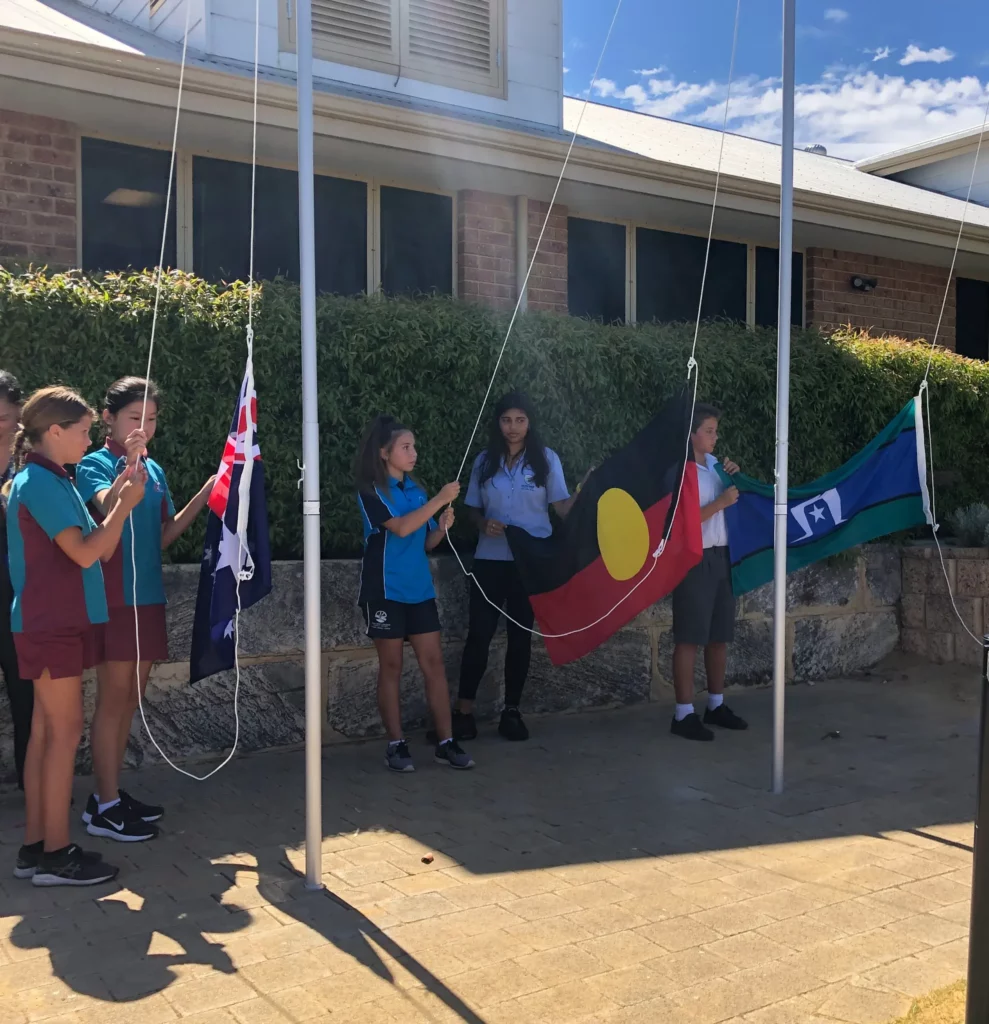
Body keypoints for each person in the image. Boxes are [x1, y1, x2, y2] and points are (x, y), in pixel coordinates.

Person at [5, 386, 145, 885]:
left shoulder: (54, 479)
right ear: (55, 433)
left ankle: (37, 849)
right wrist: (124, 508)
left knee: (48, 733)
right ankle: (56, 853)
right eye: (84, 432)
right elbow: (86, 553)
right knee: (62, 735)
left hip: (55, 625)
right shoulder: (39, 482)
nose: (89, 441)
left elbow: (98, 547)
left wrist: (122, 495)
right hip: (50, 626)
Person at [75, 377, 214, 842]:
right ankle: (104, 806)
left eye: (151, 419)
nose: (145, 427)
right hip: (114, 598)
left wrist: (206, 494)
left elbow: (163, 535)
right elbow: (107, 507)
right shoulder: (92, 464)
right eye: (136, 418)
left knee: (128, 701)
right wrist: (127, 465)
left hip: (148, 597)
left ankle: (108, 797)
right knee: (112, 703)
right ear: (108, 418)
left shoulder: (154, 470)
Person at [451, 392, 581, 742]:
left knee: (520, 638)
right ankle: (463, 712)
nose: (513, 427)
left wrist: (588, 495)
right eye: (507, 420)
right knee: (478, 635)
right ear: (498, 422)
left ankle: (512, 711)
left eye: (520, 420)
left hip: (530, 563)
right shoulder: (484, 461)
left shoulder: (546, 460)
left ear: (530, 422)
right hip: (490, 561)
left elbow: (563, 508)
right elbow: (472, 509)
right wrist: (482, 524)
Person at [355, 415, 474, 773]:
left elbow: (423, 542)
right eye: (406, 447)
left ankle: (446, 742)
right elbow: (403, 527)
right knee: (391, 667)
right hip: (385, 591)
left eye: (413, 446)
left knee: (433, 665)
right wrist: (439, 500)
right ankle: (395, 745)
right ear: (384, 453)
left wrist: (440, 528)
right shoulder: (371, 491)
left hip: (418, 590)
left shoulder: (417, 492)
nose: (413, 453)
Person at [670, 403, 749, 741]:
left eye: (716, 431)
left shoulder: (716, 466)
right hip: (694, 557)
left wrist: (734, 474)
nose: (715, 437)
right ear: (692, 434)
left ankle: (715, 705)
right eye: (709, 431)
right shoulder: (680, 470)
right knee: (690, 635)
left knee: (719, 635)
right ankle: (683, 713)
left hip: (722, 555)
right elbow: (678, 523)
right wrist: (719, 503)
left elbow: (737, 502)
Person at [0, 371, 34, 790]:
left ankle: (35, 787)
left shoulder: (32, 461)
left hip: (23, 597)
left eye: (6, 417)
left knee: (28, 700)